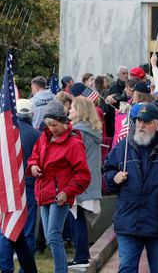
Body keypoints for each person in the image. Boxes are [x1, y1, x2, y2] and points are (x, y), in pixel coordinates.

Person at [104, 103, 158, 272]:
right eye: (138, 121)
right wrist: (113, 178)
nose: (141, 125)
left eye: (146, 121)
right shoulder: (124, 147)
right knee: (127, 268)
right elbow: (107, 171)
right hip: (128, 221)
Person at [26, 101, 91, 273]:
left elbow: (83, 174)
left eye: (54, 125)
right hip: (44, 191)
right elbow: (34, 155)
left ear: (63, 122)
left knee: (54, 236)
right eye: (48, 124)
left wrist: (67, 192)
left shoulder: (74, 143)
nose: (51, 128)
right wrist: (33, 166)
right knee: (50, 237)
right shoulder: (43, 137)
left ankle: (60, 271)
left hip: (60, 194)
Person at [0, 99, 41, 273]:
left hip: (7, 188)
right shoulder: (37, 135)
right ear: (31, 114)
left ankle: (5, 267)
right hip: (28, 187)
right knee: (28, 229)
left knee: (6, 229)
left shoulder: (5, 133)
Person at [67, 97, 102, 268]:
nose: (69, 110)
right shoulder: (93, 130)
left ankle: (81, 256)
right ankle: (83, 254)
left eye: (72, 107)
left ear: (80, 110)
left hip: (78, 181)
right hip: (90, 181)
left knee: (76, 218)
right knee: (77, 217)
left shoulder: (77, 132)